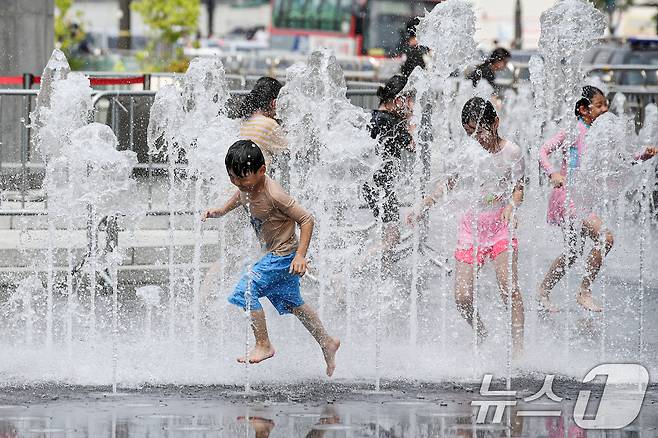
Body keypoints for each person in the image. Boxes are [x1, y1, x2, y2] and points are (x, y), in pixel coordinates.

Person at [201, 140, 340, 376]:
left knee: (245, 289)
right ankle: (327, 342)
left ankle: (263, 344)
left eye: (243, 178)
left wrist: (300, 256)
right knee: (292, 302)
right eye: (233, 178)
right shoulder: (247, 188)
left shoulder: (275, 194)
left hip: (284, 255)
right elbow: (240, 196)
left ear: (262, 171)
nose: (239, 184)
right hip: (275, 254)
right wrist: (221, 211)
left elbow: (306, 220)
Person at [409, 97, 525, 355]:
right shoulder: (465, 154)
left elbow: (518, 187)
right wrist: (423, 205)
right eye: (470, 133)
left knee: (508, 286)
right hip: (470, 228)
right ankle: (481, 331)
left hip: (500, 226)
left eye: (480, 131)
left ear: (495, 123)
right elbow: (447, 184)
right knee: (462, 298)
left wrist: (511, 207)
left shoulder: (512, 152)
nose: (477, 139)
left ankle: (518, 349)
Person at [537, 86, 658, 313]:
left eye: (606, 104)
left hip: (581, 198)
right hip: (566, 196)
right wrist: (552, 173)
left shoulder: (602, 134)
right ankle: (584, 292)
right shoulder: (573, 131)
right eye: (600, 105)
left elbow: (622, 160)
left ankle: (543, 291)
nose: (606, 109)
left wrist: (643, 155)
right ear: (583, 109)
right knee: (605, 238)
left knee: (573, 253)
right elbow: (542, 150)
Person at [362, 75, 415, 274]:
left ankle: (383, 273)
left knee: (389, 235)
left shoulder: (377, 116)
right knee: (392, 236)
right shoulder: (390, 122)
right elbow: (412, 144)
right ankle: (348, 273)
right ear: (398, 99)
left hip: (376, 183)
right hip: (381, 186)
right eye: (409, 100)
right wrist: (410, 122)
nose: (411, 106)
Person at [239, 77, 289, 185]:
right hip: (256, 191)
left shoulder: (243, 122)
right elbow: (292, 154)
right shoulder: (269, 125)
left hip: (240, 185)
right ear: (274, 103)